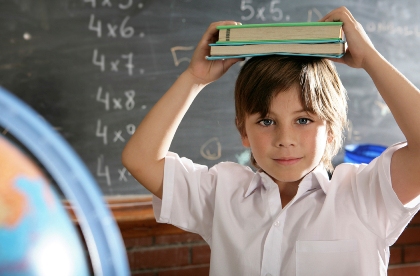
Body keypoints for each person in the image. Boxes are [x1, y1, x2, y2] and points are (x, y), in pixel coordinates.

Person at [122, 6, 420, 276]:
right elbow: (140, 159)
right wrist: (194, 78)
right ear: (243, 131)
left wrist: (369, 58)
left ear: (330, 129)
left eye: (303, 120)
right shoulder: (222, 194)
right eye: (266, 121)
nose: (284, 139)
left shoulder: (365, 196)